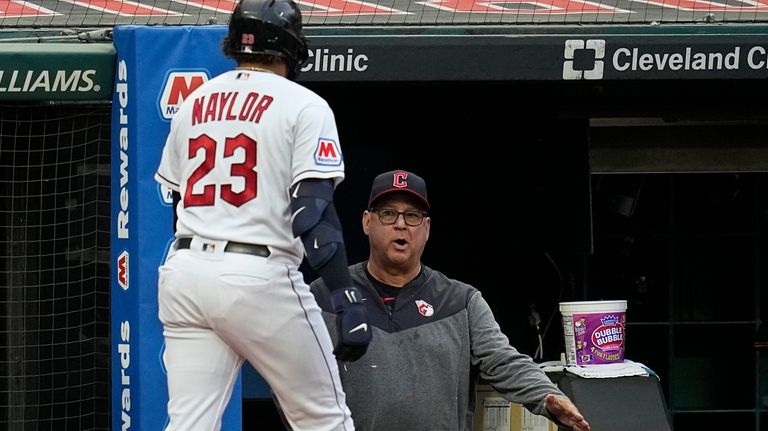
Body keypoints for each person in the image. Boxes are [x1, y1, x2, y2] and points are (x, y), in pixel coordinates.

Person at [153, 0, 371, 429]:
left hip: (184, 271)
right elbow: (311, 215)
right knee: (323, 418)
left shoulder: (194, 102)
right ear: (291, 46)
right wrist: (346, 295)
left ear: (234, 44)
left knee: (189, 424)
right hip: (258, 273)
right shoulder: (304, 104)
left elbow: (177, 200)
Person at [306, 169, 590, 431]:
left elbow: (503, 361)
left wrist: (546, 395)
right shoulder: (325, 295)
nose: (401, 225)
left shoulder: (461, 302)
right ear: (367, 222)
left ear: (427, 228)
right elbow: (294, 378)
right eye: (388, 214)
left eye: (413, 215)